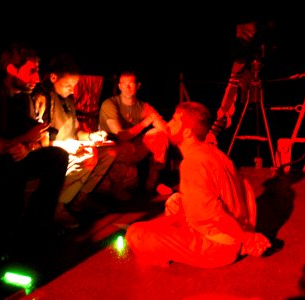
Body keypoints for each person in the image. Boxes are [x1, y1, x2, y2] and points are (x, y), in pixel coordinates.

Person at [125, 101, 271, 268]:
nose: (169, 124)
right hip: (234, 228)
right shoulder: (212, 151)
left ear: (187, 132)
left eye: (174, 120)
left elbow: (213, 214)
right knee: (175, 201)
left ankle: (174, 250)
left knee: (135, 234)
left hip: (217, 247)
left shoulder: (192, 163)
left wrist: (246, 239)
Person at [0, 43, 69, 276]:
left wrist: (28, 145)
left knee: (57, 157)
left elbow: (35, 134)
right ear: (13, 71)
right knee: (7, 172)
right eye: (32, 70)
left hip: (15, 154)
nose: (37, 76)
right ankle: (2, 246)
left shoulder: (24, 98)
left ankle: (38, 225)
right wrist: (25, 140)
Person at [35, 54, 116, 229]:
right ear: (53, 78)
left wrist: (91, 137)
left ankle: (80, 199)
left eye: (74, 86)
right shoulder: (44, 99)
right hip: (54, 153)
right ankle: (57, 205)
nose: (72, 90)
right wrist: (68, 146)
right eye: (68, 85)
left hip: (73, 146)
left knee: (109, 153)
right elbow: (42, 143)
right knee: (88, 156)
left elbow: (76, 130)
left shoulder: (69, 101)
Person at [99, 69, 170, 198]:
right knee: (126, 146)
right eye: (124, 83)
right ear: (119, 86)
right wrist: (146, 122)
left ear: (138, 86)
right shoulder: (110, 104)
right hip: (112, 150)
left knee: (158, 135)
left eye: (131, 83)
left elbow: (165, 130)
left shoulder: (143, 106)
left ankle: (153, 182)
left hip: (133, 148)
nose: (127, 87)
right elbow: (121, 135)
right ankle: (116, 187)